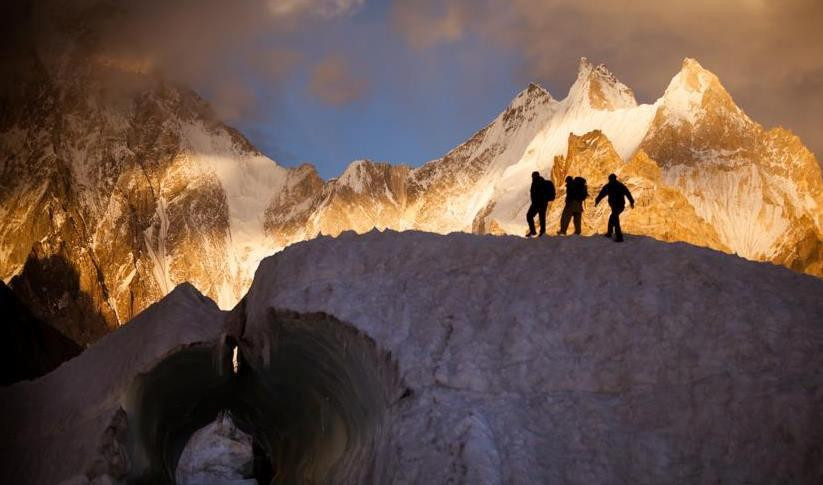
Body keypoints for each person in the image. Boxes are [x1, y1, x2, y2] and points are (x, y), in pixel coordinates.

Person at [594, 173, 634, 242]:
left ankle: (619, 237)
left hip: (616, 206)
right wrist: (631, 202)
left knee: (615, 219)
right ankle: (609, 233)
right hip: (620, 206)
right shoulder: (620, 185)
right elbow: (628, 193)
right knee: (612, 217)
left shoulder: (609, 186)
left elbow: (601, 194)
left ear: (609, 179)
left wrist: (597, 201)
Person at [526, 171, 555, 237]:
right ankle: (541, 232)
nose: (532, 177)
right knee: (541, 217)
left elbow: (536, 194)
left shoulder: (537, 183)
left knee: (530, 216)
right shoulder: (542, 182)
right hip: (542, 203)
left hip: (538, 203)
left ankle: (534, 231)